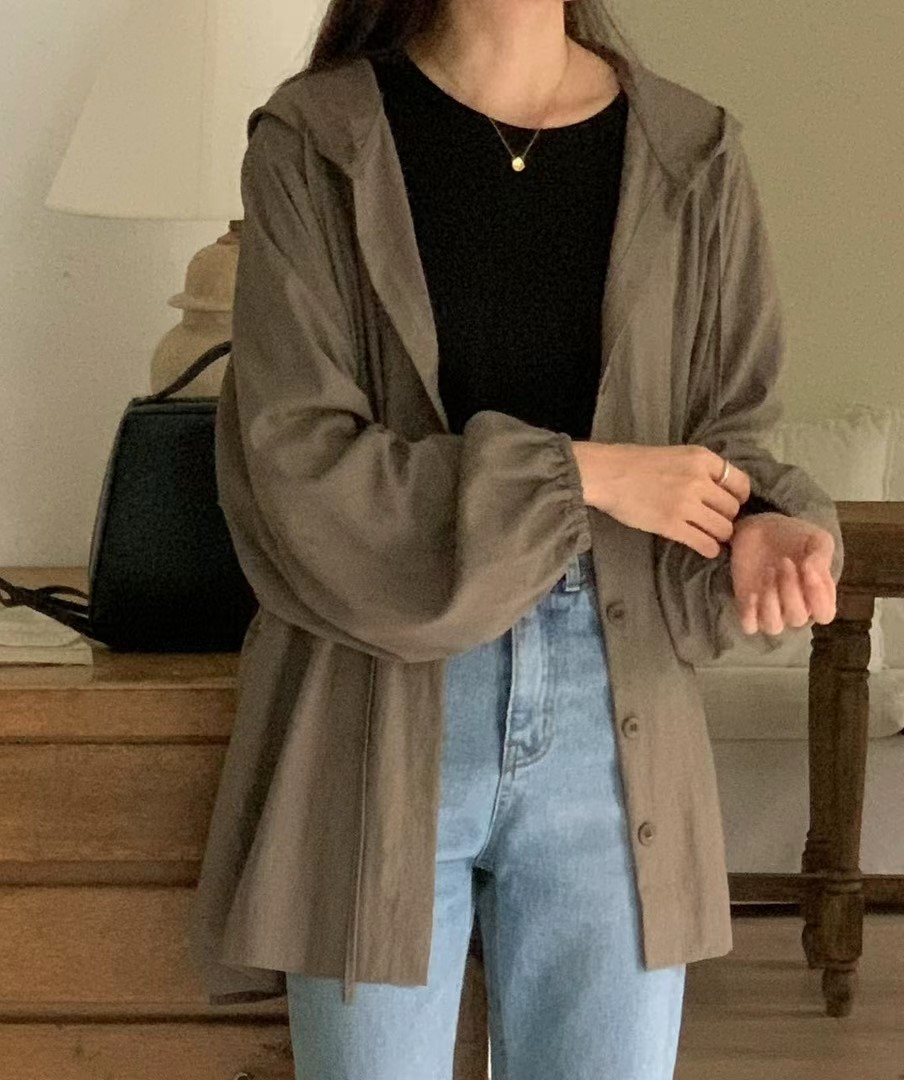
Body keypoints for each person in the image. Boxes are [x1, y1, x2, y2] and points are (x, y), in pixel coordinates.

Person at [190, 1, 843, 1077]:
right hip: (377, 705)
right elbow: (295, 463)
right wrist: (585, 473)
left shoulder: (693, 151)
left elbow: (728, 434)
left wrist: (761, 522)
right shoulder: (318, 141)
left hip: (619, 714)